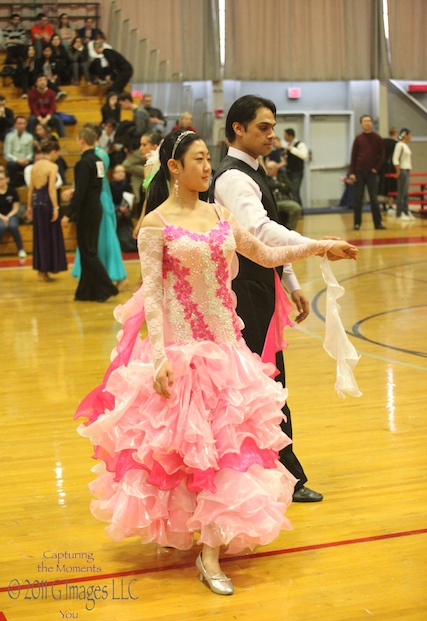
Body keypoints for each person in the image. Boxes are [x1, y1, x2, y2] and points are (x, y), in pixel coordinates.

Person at [75, 129, 357, 596]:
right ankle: (200, 545)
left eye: (209, 159)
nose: (208, 168)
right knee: (187, 455)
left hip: (228, 351)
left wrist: (319, 245)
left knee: (228, 453)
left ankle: (211, 553)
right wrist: (162, 357)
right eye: (200, 160)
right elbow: (155, 295)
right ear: (174, 167)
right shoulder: (155, 225)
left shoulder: (220, 215)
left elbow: (265, 253)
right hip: (183, 353)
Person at [211, 95, 331, 502]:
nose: (272, 134)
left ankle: (273, 471)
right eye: (263, 127)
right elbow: (259, 234)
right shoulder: (233, 178)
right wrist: (317, 245)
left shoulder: (252, 172)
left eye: (272, 126)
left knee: (267, 381)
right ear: (238, 129)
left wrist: (292, 282)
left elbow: (269, 233)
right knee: (262, 383)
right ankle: (282, 474)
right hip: (243, 296)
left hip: (262, 289)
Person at [61, 126, 119, 302]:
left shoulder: (83, 163)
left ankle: (108, 287)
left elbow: (80, 193)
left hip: (86, 211)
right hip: (97, 208)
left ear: (81, 141)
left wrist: (67, 214)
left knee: (88, 252)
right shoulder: (98, 162)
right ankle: (86, 292)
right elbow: (95, 186)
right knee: (88, 251)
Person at [71, 125, 128, 290]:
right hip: (97, 196)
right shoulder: (99, 153)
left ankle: (117, 274)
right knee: (94, 238)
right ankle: (93, 275)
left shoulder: (99, 154)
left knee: (105, 236)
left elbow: (94, 182)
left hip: (98, 198)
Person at [26, 140, 67, 282]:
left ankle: (41, 271)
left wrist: (29, 207)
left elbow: (31, 189)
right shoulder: (52, 166)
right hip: (47, 203)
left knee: (40, 236)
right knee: (49, 235)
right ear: (54, 151)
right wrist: (56, 207)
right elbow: (51, 189)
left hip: (37, 203)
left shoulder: (34, 166)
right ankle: (46, 269)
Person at [349, 115, 386, 230]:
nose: (367, 123)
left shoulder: (377, 138)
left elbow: (382, 155)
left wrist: (376, 168)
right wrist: (352, 172)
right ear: (361, 124)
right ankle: (357, 223)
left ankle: (378, 223)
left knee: (374, 199)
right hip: (359, 172)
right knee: (358, 199)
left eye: (369, 121)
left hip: (372, 173)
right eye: (365, 121)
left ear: (372, 123)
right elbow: (353, 156)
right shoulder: (358, 139)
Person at [265, 160, 302, 230]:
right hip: (273, 202)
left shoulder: (282, 177)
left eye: (270, 169)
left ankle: (290, 229)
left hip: (285, 200)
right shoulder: (265, 178)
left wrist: (277, 186)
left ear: (276, 169)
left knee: (296, 208)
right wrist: (280, 185)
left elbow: (289, 188)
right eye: (267, 168)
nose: (268, 171)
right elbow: (268, 188)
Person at [0, 166, 26, 258]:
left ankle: (21, 249)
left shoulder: (12, 190)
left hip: (12, 215)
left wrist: (8, 216)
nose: (0, 181)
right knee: (1, 227)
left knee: (13, 226)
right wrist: (3, 217)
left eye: (2, 179)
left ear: (7, 179)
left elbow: (16, 207)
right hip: (0, 216)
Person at [109, 164, 136, 252]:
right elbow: (109, 202)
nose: (121, 174)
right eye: (118, 172)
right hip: (113, 209)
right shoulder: (110, 186)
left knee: (126, 215)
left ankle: (130, 241)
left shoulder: (128, 185)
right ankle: (117, 242)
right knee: (118, 215)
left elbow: (130, 199)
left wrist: (126, 207)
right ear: (113, 174)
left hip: (125, 209)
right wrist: (118, 208)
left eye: (122, 171)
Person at [4, 115, 34, 187]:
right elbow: (7, 153)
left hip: (25, 160)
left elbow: (30, 152)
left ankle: (31, 184)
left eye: (24, 123)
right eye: (19, 123)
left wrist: (27, 159)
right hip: (15, 161)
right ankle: (13, 185)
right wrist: (17, 160)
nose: (22, 126)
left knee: (34, 163)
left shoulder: (29, 137)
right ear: (15, 125)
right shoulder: (9, 136)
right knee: (11, 164)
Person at [393, 128, 415, 221]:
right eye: (410, 135)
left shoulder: (405, 145)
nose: (411, 137)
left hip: (407, 169)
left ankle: (405, 211)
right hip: (402, 170)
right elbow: (395, 159)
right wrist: (398, 171)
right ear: (405, 135)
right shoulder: (399, 145)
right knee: (401, 193)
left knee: (405, 193)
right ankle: (399, 212)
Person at [283, 128, 308, 206]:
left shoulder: (300, 144)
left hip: (297, 172)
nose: (284, 137)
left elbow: (304, 155)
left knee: (295, 191)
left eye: (285, 135)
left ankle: (299, 211)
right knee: (290, 191)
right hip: (289, 171)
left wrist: (292, 149)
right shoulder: (288, 145)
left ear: (290, 136)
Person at [379, 126, 398, 213]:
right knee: (392, 185)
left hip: (383, 166)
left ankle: (383, 203)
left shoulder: (383, 141)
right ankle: (390, 204)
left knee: (384, 184)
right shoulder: (396, 143)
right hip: (392, 166)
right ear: (395, 134)